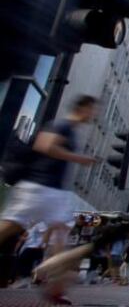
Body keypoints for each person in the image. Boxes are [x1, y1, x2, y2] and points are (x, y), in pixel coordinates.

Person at [0, 95, 98, 302]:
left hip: (54, 191)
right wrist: (79, 159)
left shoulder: (70, 130)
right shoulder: (61, 125)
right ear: (83, 108)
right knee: (9, 226)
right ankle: (56, 286)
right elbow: (45, 146)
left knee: (61, 234)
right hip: (38, 187)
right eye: (92, 110)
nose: (94, 115)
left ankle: (56, 287)